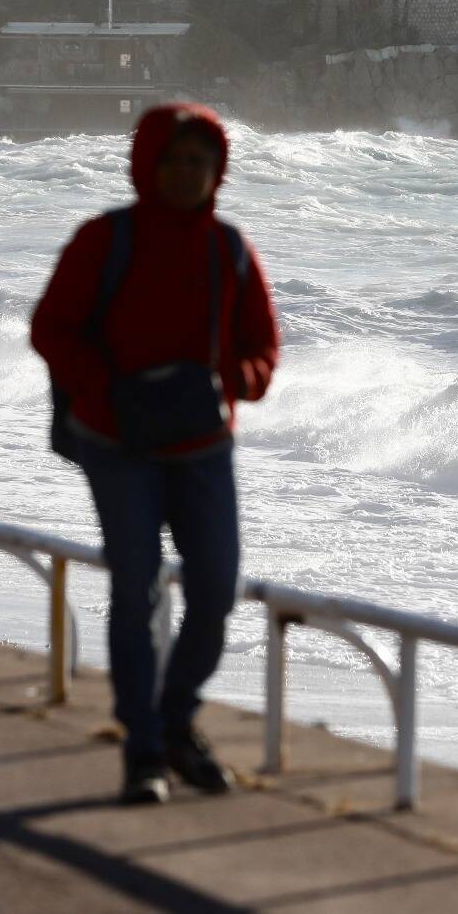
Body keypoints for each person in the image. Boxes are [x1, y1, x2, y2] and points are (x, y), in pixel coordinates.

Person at [31, 105, 281, 807]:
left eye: (199, 163)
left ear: (217, 172)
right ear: (147, 164)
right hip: (120, 446)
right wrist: (102, 391)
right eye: (172, 160)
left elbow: (263, 342)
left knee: (215, 589)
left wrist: (237, 382)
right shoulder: (104, 240)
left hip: (203, 446)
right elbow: (52, 326)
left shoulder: (227, 248)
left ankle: (176, 719)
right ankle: (143, 749)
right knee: (135, 588)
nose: (185, 174)